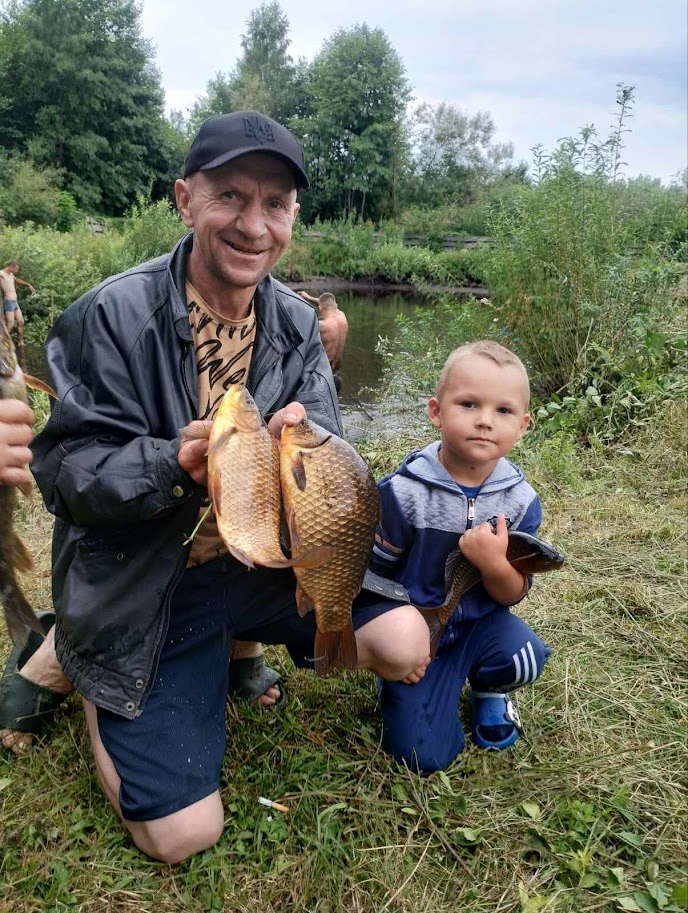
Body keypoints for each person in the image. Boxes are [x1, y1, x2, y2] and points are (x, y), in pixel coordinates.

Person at [21, 111, 429, 863]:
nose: (253, 225)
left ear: (293, 217)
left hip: (258, 560)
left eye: (274, 204)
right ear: (185, 200)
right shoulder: (110, 314)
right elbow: (65, 474)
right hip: (146, 577)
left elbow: (329, 460)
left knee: (405, 640)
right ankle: (88, 678)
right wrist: (170, 464)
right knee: (183, 835)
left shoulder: (297, 324)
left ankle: (230, 645)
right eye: (230, 197)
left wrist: (299, 456)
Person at [366, 340, 551, 773]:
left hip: (480, 626)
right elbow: (373, 575)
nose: (485, 421)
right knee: (422, 756)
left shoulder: (521, 502)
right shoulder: (402, 492)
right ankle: (393, 676)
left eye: (503, 411)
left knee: (527, 655)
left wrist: (493, 565)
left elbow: (512, 594)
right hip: (418, 633)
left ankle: (490, 690)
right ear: (436, 411)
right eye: (469, 404)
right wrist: (396, 648)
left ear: (523, 425)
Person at [297, 290, 348, 394]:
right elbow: (327, 304)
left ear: (320, 308)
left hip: (322, 378)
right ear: (336, 306)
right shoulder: (342, 317)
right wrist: (309, 298)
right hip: (336, 377)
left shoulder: (321, 326)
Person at [0, 260, 35, 333]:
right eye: (16, 269)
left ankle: (20, 342)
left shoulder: (11, 274)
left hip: (14, 302)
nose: (17, 271)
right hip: (8, 301)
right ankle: (3, 341)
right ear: (10, 267)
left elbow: (17, 280)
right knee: (11, 323)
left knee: (21, 321)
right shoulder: (2, 274)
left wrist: (28, 284)